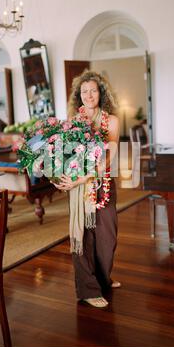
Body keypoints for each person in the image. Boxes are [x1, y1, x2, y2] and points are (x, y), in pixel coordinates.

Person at [52, 70, 120, 308]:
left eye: (93, 90)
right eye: (84, 91)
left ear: (101, 93)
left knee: (107, 238)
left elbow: (108, 160)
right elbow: (64, 157)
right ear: (78, 96)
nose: (89, 95)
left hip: (102, 185)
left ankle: (103, 279)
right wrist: (57, 174)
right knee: (82, 238)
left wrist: (81, 180)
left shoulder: (111, 121)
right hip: (78, 190)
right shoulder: (72, 123)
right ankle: (88, 290)